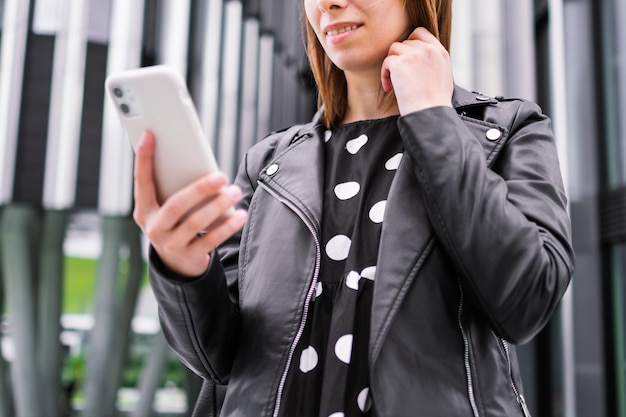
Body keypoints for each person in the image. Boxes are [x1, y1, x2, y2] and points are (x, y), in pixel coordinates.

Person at [133, 0, 575, 415]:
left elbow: (527, 299)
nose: (328, 2)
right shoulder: (269, 163)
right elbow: (217, 359)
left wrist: (431, 115)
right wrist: (183, 268)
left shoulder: (509, 129)